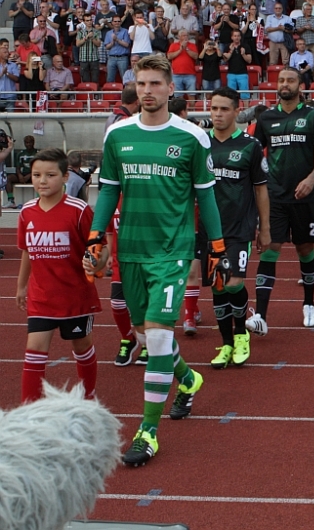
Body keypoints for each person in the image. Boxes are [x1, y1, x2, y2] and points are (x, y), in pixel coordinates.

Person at [89, 54, 228, 467]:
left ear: (171, 88)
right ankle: (188, 378)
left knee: (159, 337)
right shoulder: (117, 135)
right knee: (145, 336)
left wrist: (216, 247)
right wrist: (96, 236)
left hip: (172, 251)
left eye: (155, 83)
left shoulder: (192, 137)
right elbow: (109, 190)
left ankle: (148, 431)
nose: (147, 90)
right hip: (131, 248)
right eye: (141, 83)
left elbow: (206, 196)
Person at [245, 69, 314, 336]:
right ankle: (260, 315)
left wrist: (311, 179)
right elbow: (253, 155)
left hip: (304, 197)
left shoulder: (313, 116)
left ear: (300, 85)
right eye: (281, 80)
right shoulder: (266, 118)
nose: (284, 84)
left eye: (290, 80)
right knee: (270, 249)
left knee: (305, 249)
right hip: (274, 197)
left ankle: (309, 304)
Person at [18, 148, 106, 404]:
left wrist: (96, 263)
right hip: (41, 297)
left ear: (66, 176)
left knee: (81, 347)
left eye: (50, 175)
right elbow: (27, 251)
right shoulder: (26, 212)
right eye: (37, 175)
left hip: (74, 298)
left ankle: (88, 397)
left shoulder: (79, 211)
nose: (42, 181)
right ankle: (29, 409)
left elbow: (99, 248)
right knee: (34, 350)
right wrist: (21, 286)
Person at [204, 87, 270, 369]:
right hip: (208, 229)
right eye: (214, 108)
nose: (218, 114)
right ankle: (226, 342)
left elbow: (261, 189)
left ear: (236, 111)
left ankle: (242, 333)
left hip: (239, 228)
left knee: (233, 283)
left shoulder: (250, 145)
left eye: (224, 109)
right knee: (217, 286)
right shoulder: (200, 143)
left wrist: (264, 228)